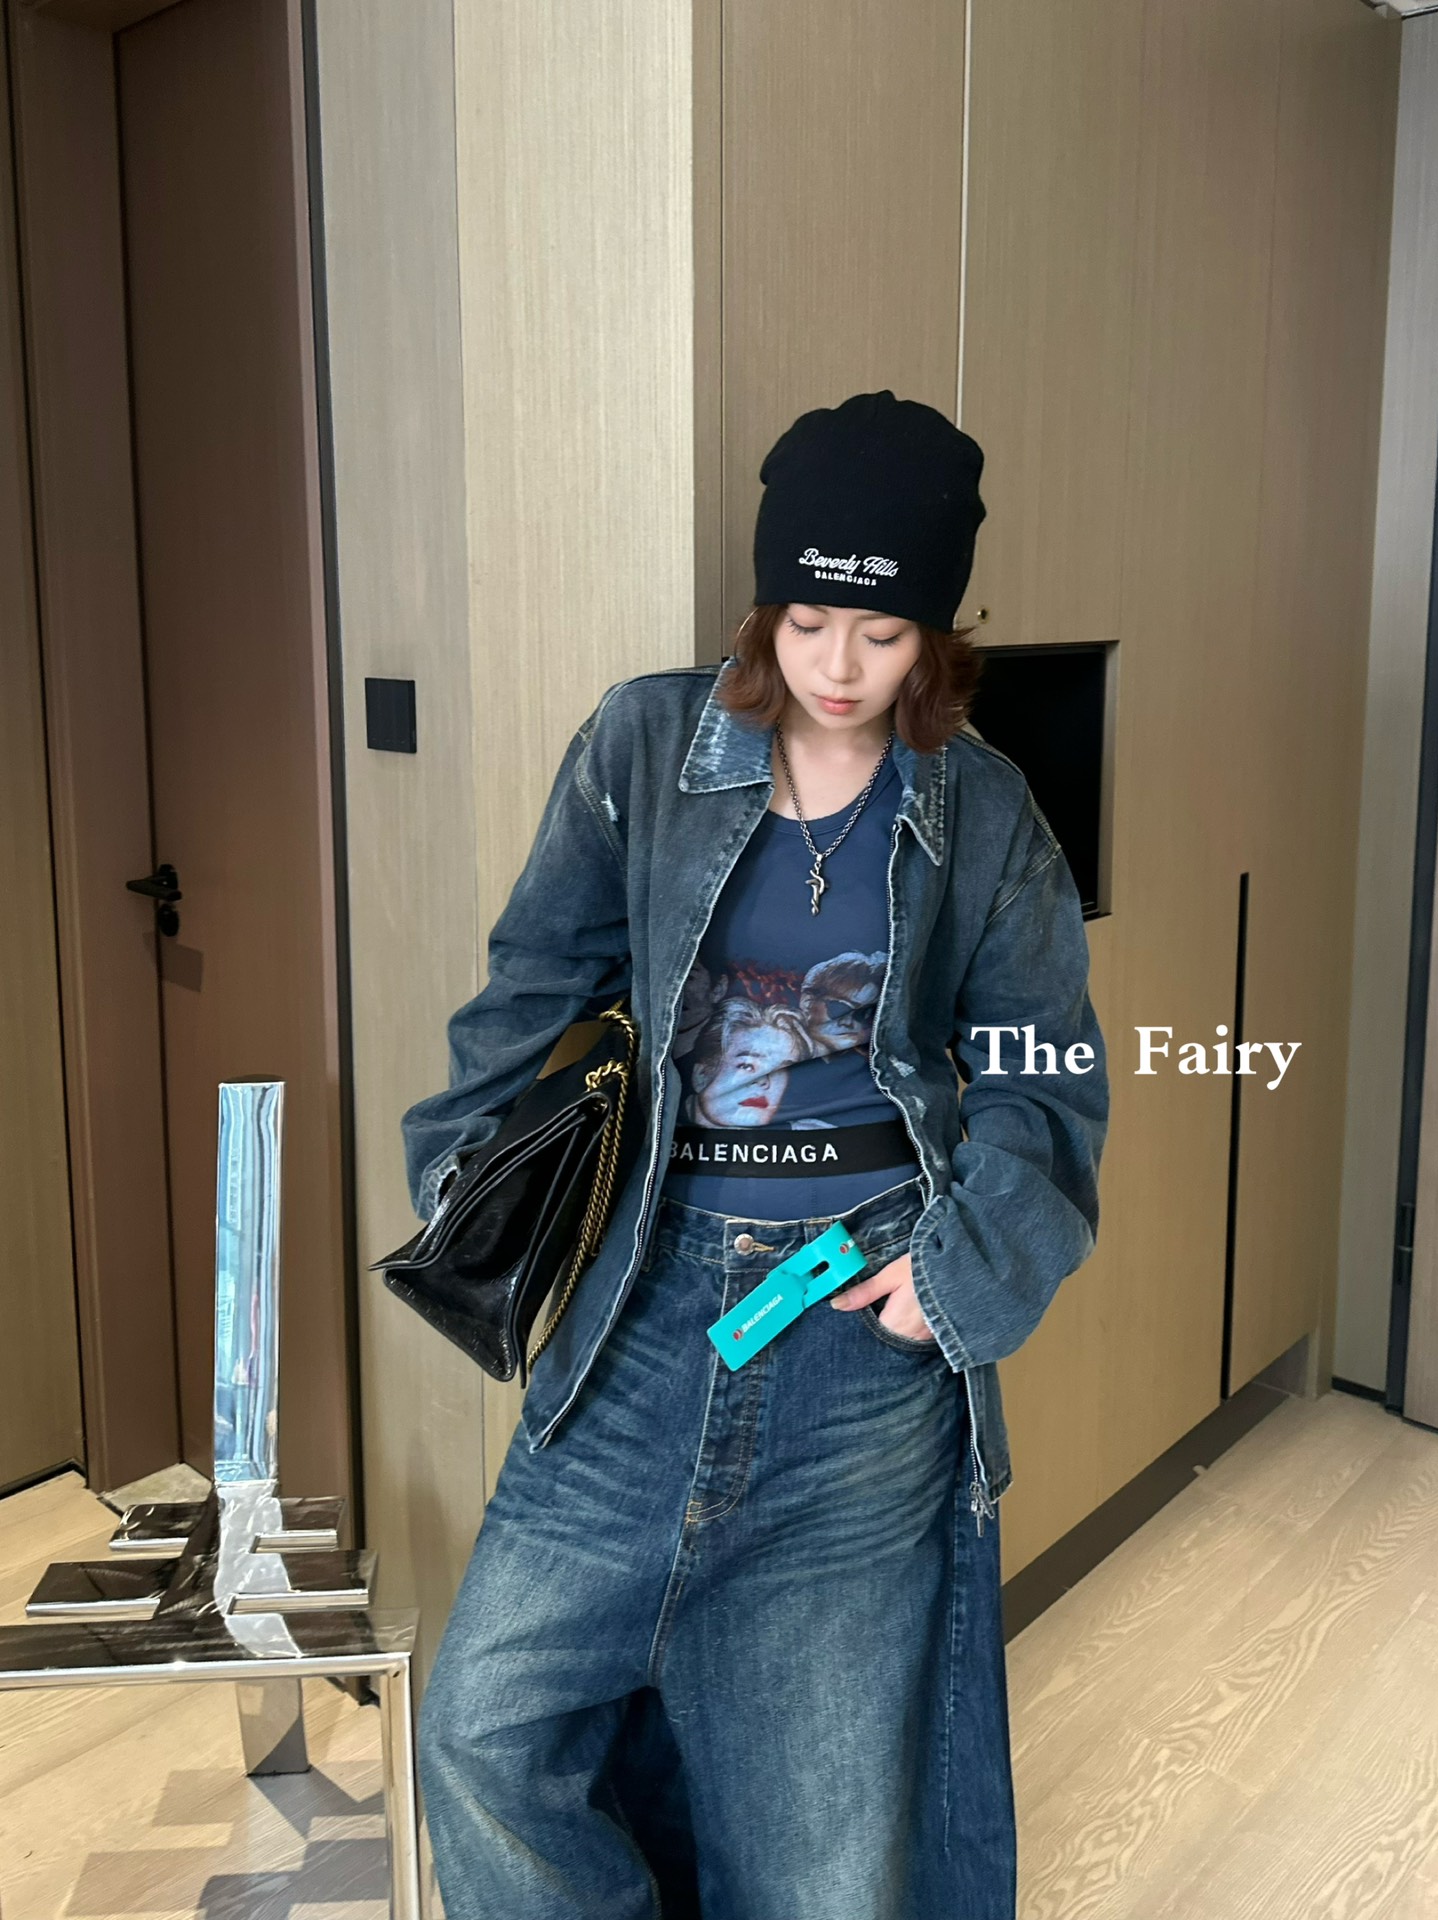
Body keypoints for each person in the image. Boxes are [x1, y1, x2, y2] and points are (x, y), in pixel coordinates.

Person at [402, 389, 1109, 1919]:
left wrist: (957, 1276)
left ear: (934, 636)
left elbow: (1043, 1066)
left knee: (819, 1863)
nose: (836, 668)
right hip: (641, 1312)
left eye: (880, 632)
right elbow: (531, 988)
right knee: (482, 1732)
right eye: (804, 623)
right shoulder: (644, 745)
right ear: (763, 609)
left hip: (860, 1338)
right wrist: (467, 1188)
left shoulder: (984, 812)